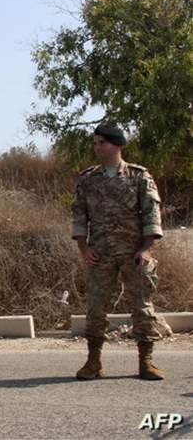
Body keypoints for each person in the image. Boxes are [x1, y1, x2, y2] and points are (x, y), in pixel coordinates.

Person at [71, 124, 167, 381]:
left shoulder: (138, 176)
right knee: (95, 308)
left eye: (102, 142)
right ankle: (93, 362)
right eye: (95, 143)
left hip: (133, 253)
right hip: (99, 253)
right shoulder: (88, 178)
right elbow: (79, 215)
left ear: (117, 145)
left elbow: (151, 213)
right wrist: (84, 247)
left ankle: (146, 362)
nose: (97, 147)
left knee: (142, 307)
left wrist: (147, 249)